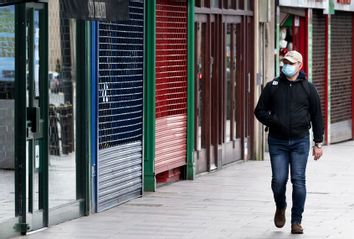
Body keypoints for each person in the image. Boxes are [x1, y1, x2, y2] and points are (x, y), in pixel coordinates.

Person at [254, 50, 324, 234]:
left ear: (300, 66)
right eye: (285, 62)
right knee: (278, 180)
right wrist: (273, 121)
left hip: (300, 141)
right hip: (277, 141)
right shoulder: (273, 86)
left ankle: (296, 221)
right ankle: (281, 206)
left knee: (298, 180)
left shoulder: (308, 89)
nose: (287, 65)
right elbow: (259, 110)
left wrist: (318, 143)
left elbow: (317, 116)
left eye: (291, 62)